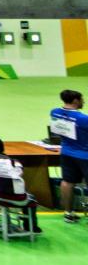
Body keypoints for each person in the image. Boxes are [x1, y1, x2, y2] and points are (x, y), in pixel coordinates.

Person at [51, 89, 88, 223]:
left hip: (66, 152)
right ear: (76, 101)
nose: (84, 101)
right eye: (82, 99)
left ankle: (68, 212)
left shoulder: (54, 112)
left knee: (67, 182)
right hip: (85, 155)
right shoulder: (83, 119)